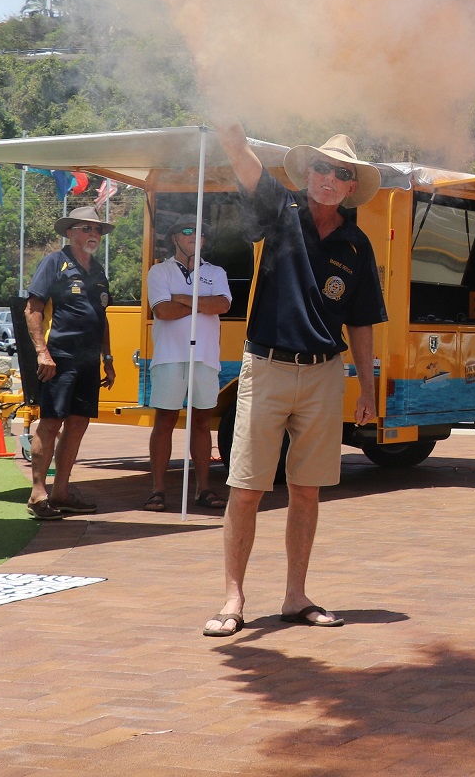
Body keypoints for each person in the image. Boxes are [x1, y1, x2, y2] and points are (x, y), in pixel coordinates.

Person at [203, 128, 387, 638]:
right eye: (323, 170)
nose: (330, 179)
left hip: (326, 373)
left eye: (342, 173)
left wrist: (367, 390)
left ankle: (295, 596)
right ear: (307, 175)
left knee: (307, 490)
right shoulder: (281, 213)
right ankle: (233, 597)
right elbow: (246, 167)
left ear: (352, 187)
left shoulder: (358, 244)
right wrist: (234, 141)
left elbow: (363, 323)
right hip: (266, 367)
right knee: (245, 488)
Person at [24, 207, 117, 521]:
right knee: (51, 422)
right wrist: (42, 352)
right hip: (59, 357)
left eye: (97, 230)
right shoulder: (54, 262)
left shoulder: (98, 270)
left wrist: (108, 358)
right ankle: (38, 493)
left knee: (78, 425)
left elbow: (101, 319)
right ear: (70, 232)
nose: (94, 234)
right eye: (87, 228)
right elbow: (33, 308)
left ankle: (61, 492)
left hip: (89, 361)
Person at [143, 218, 232, 513]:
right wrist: (200, 301)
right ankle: (157, 490)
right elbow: (163, 311)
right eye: (188, 231)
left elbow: (222, 305)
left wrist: (181, 297)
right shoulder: (159, 270)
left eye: (200, 233)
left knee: (203, 422)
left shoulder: (216, 272)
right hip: (169, 356)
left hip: (205, 356)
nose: (195, 236)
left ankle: (203, 489)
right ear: (174, 238)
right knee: (165, 421)